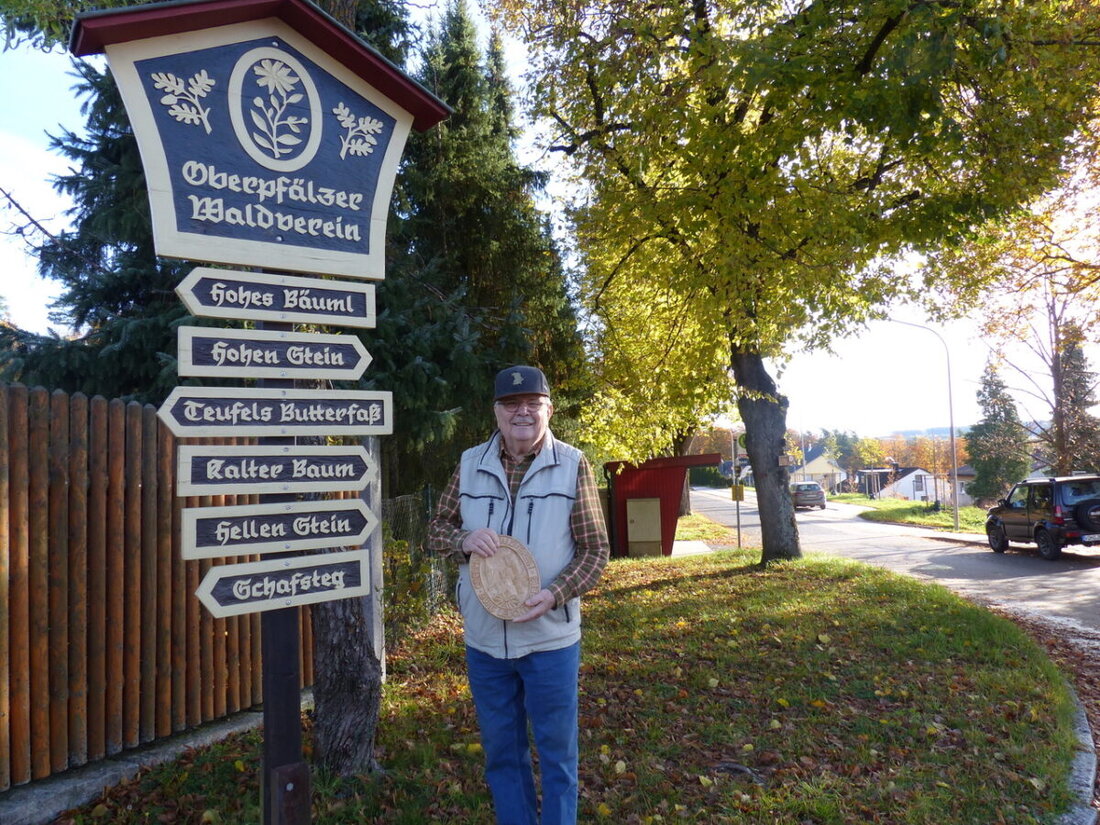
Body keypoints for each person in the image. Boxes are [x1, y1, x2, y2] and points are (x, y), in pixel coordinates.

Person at [427, 365, 609, 825]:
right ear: (496, 412)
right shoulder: (470, 464)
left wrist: (555, 594)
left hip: (550, 640)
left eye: (532, 403)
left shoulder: (572, 465)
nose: (521, 412)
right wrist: (463, 541)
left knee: (558, 758)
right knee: (502, 756)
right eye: (511, 404)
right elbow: (436, 529)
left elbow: (595, 551)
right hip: (485, 641)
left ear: (548, 409)